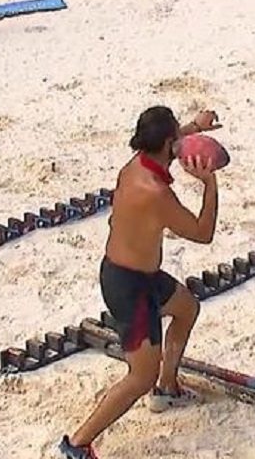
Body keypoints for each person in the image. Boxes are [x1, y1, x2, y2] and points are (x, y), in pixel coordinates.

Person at [58, 107, 223, 459]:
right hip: (128, 289)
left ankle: (167, 388)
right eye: (176, 138)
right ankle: (77, 445)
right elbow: (203, 233)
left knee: (187, 308)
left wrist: (196, 126)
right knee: (139, 377)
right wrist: (209, 184)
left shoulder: (136, 164)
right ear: (166, 144)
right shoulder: (156, 193)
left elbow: (169, 140)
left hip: (139, 276)